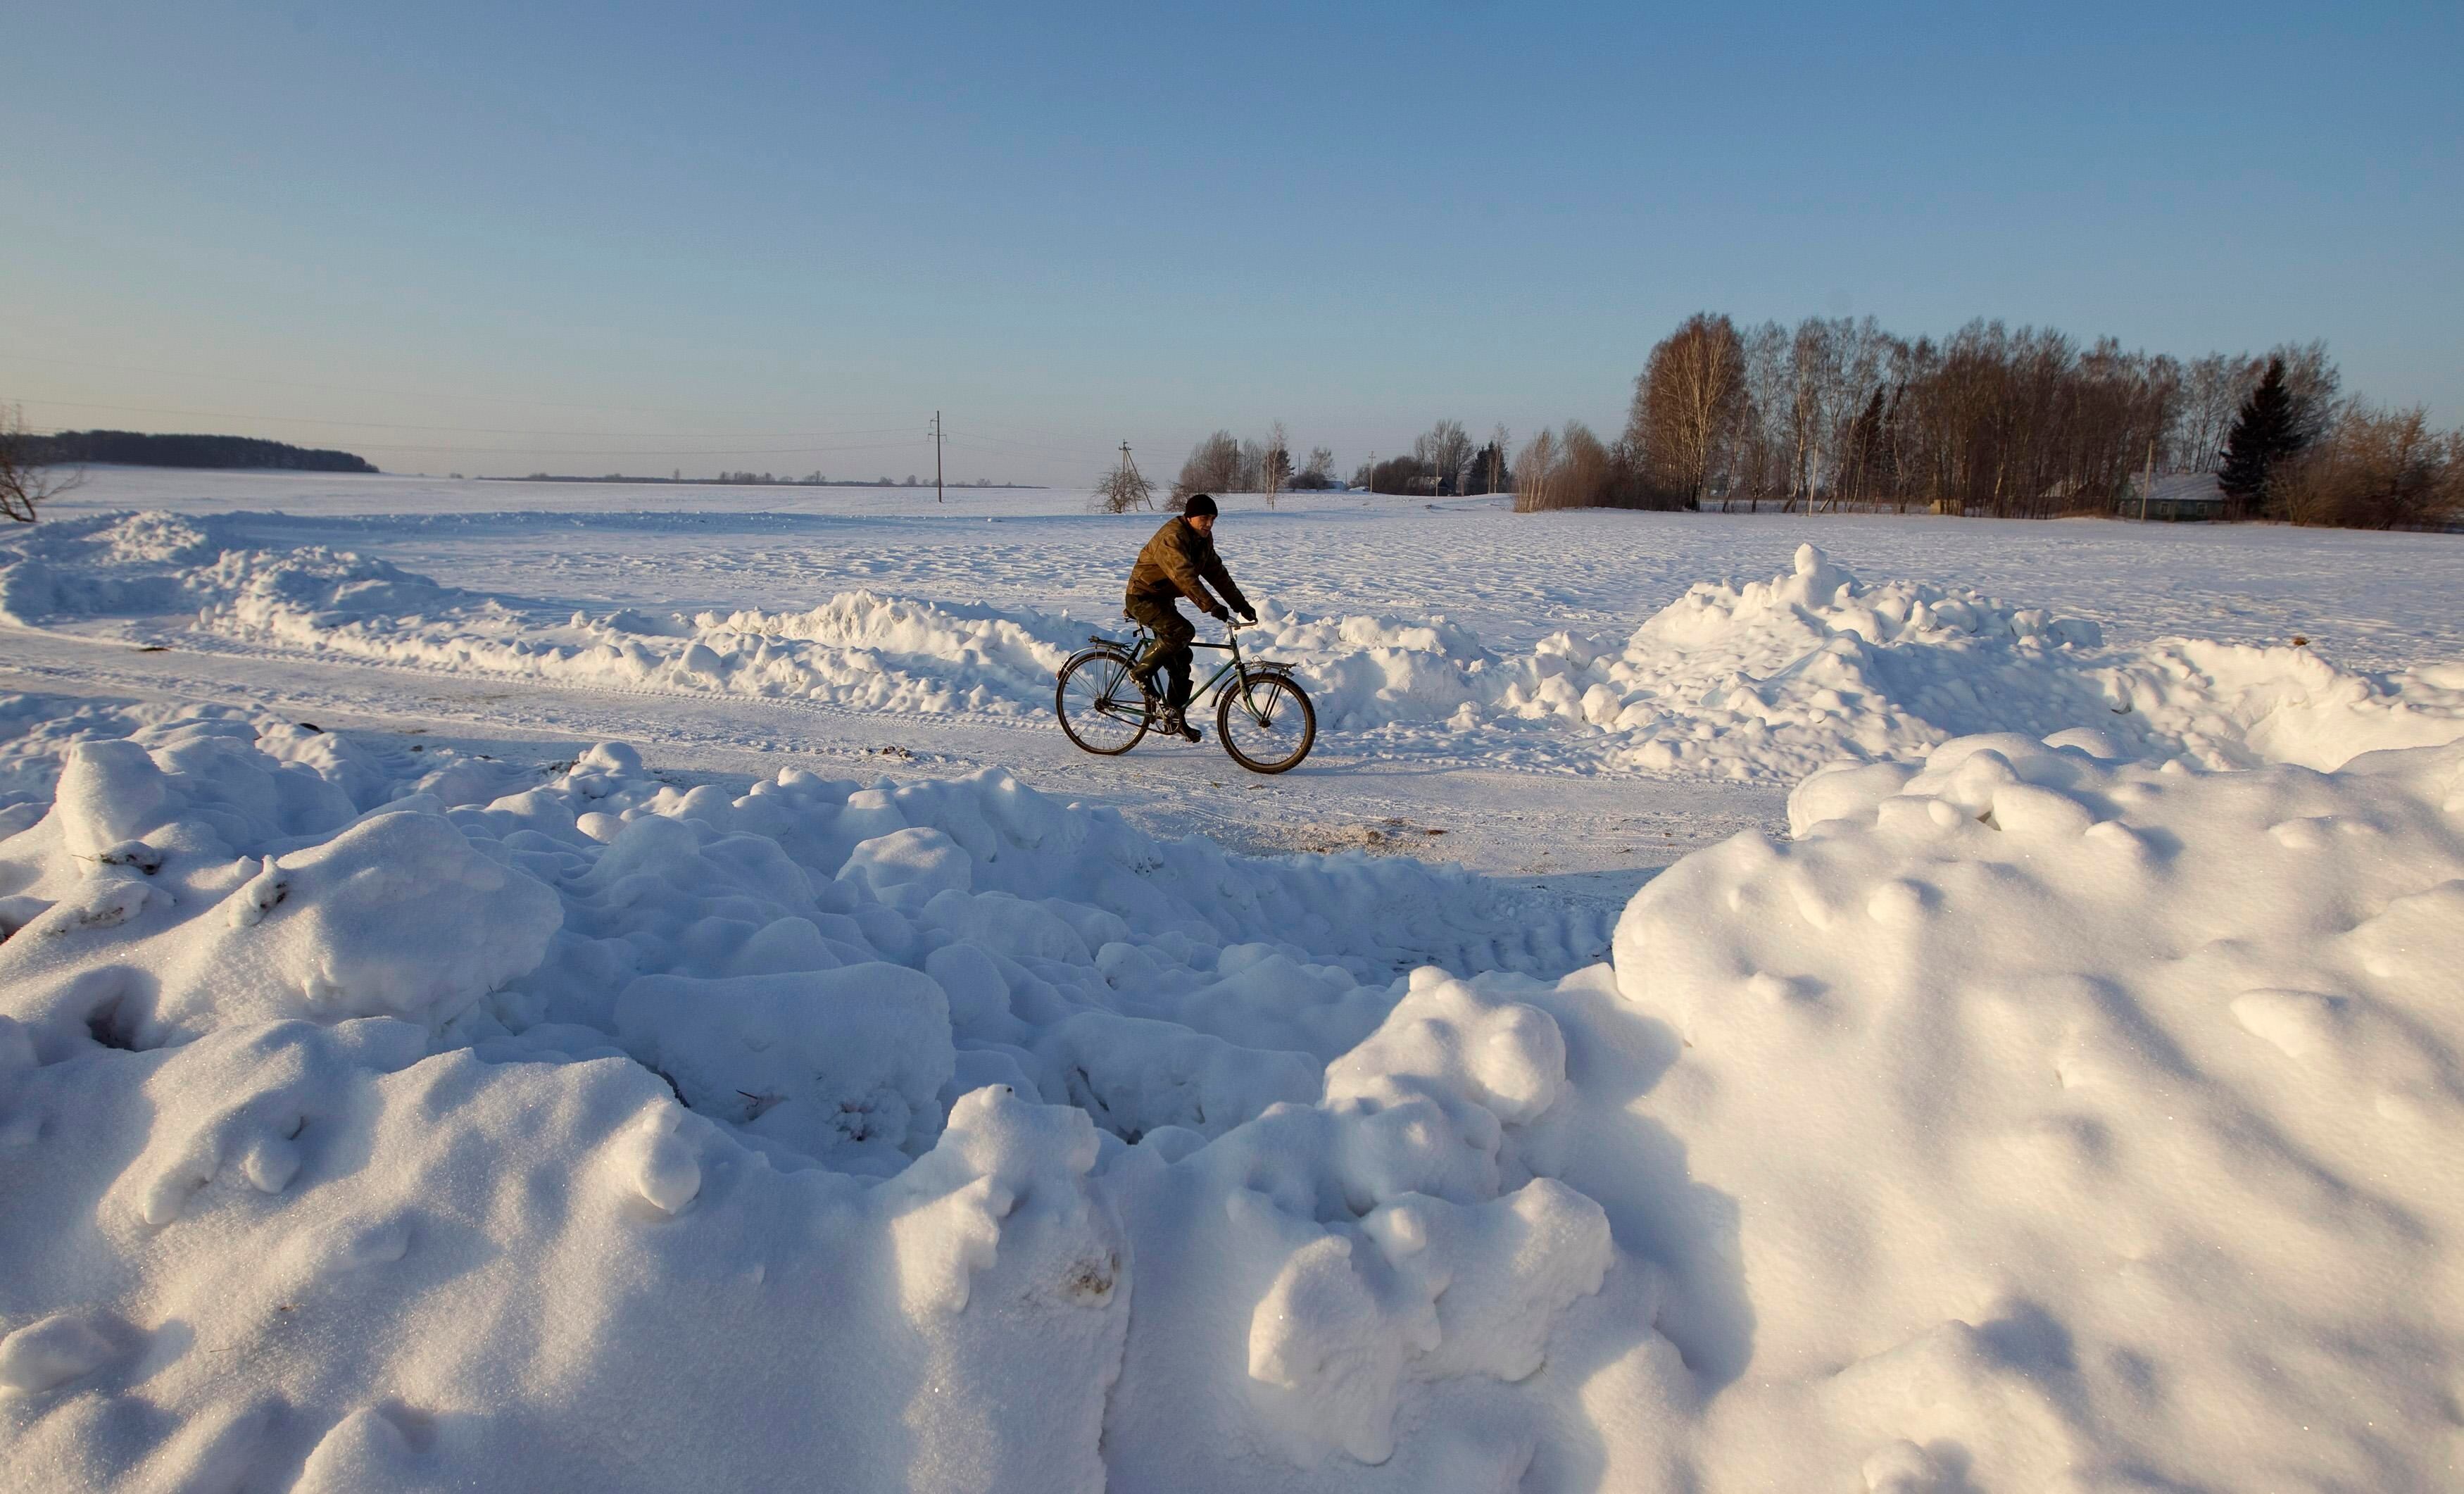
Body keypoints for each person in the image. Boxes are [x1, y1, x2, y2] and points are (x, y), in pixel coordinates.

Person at [1124, 494, 1255, 741]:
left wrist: (1241, 605)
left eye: (1213, 519)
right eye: (1204, 518)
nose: (1208, 524)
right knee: (1183, 631)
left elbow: (1217, 573)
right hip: (1142, 598)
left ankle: (1175, 718)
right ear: (1189, 517)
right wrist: (1212, 606)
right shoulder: (1173, 538)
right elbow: (1184, 577)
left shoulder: (1202, 539)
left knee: (1182, 659)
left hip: (1163, 600)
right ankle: (1140, 673)